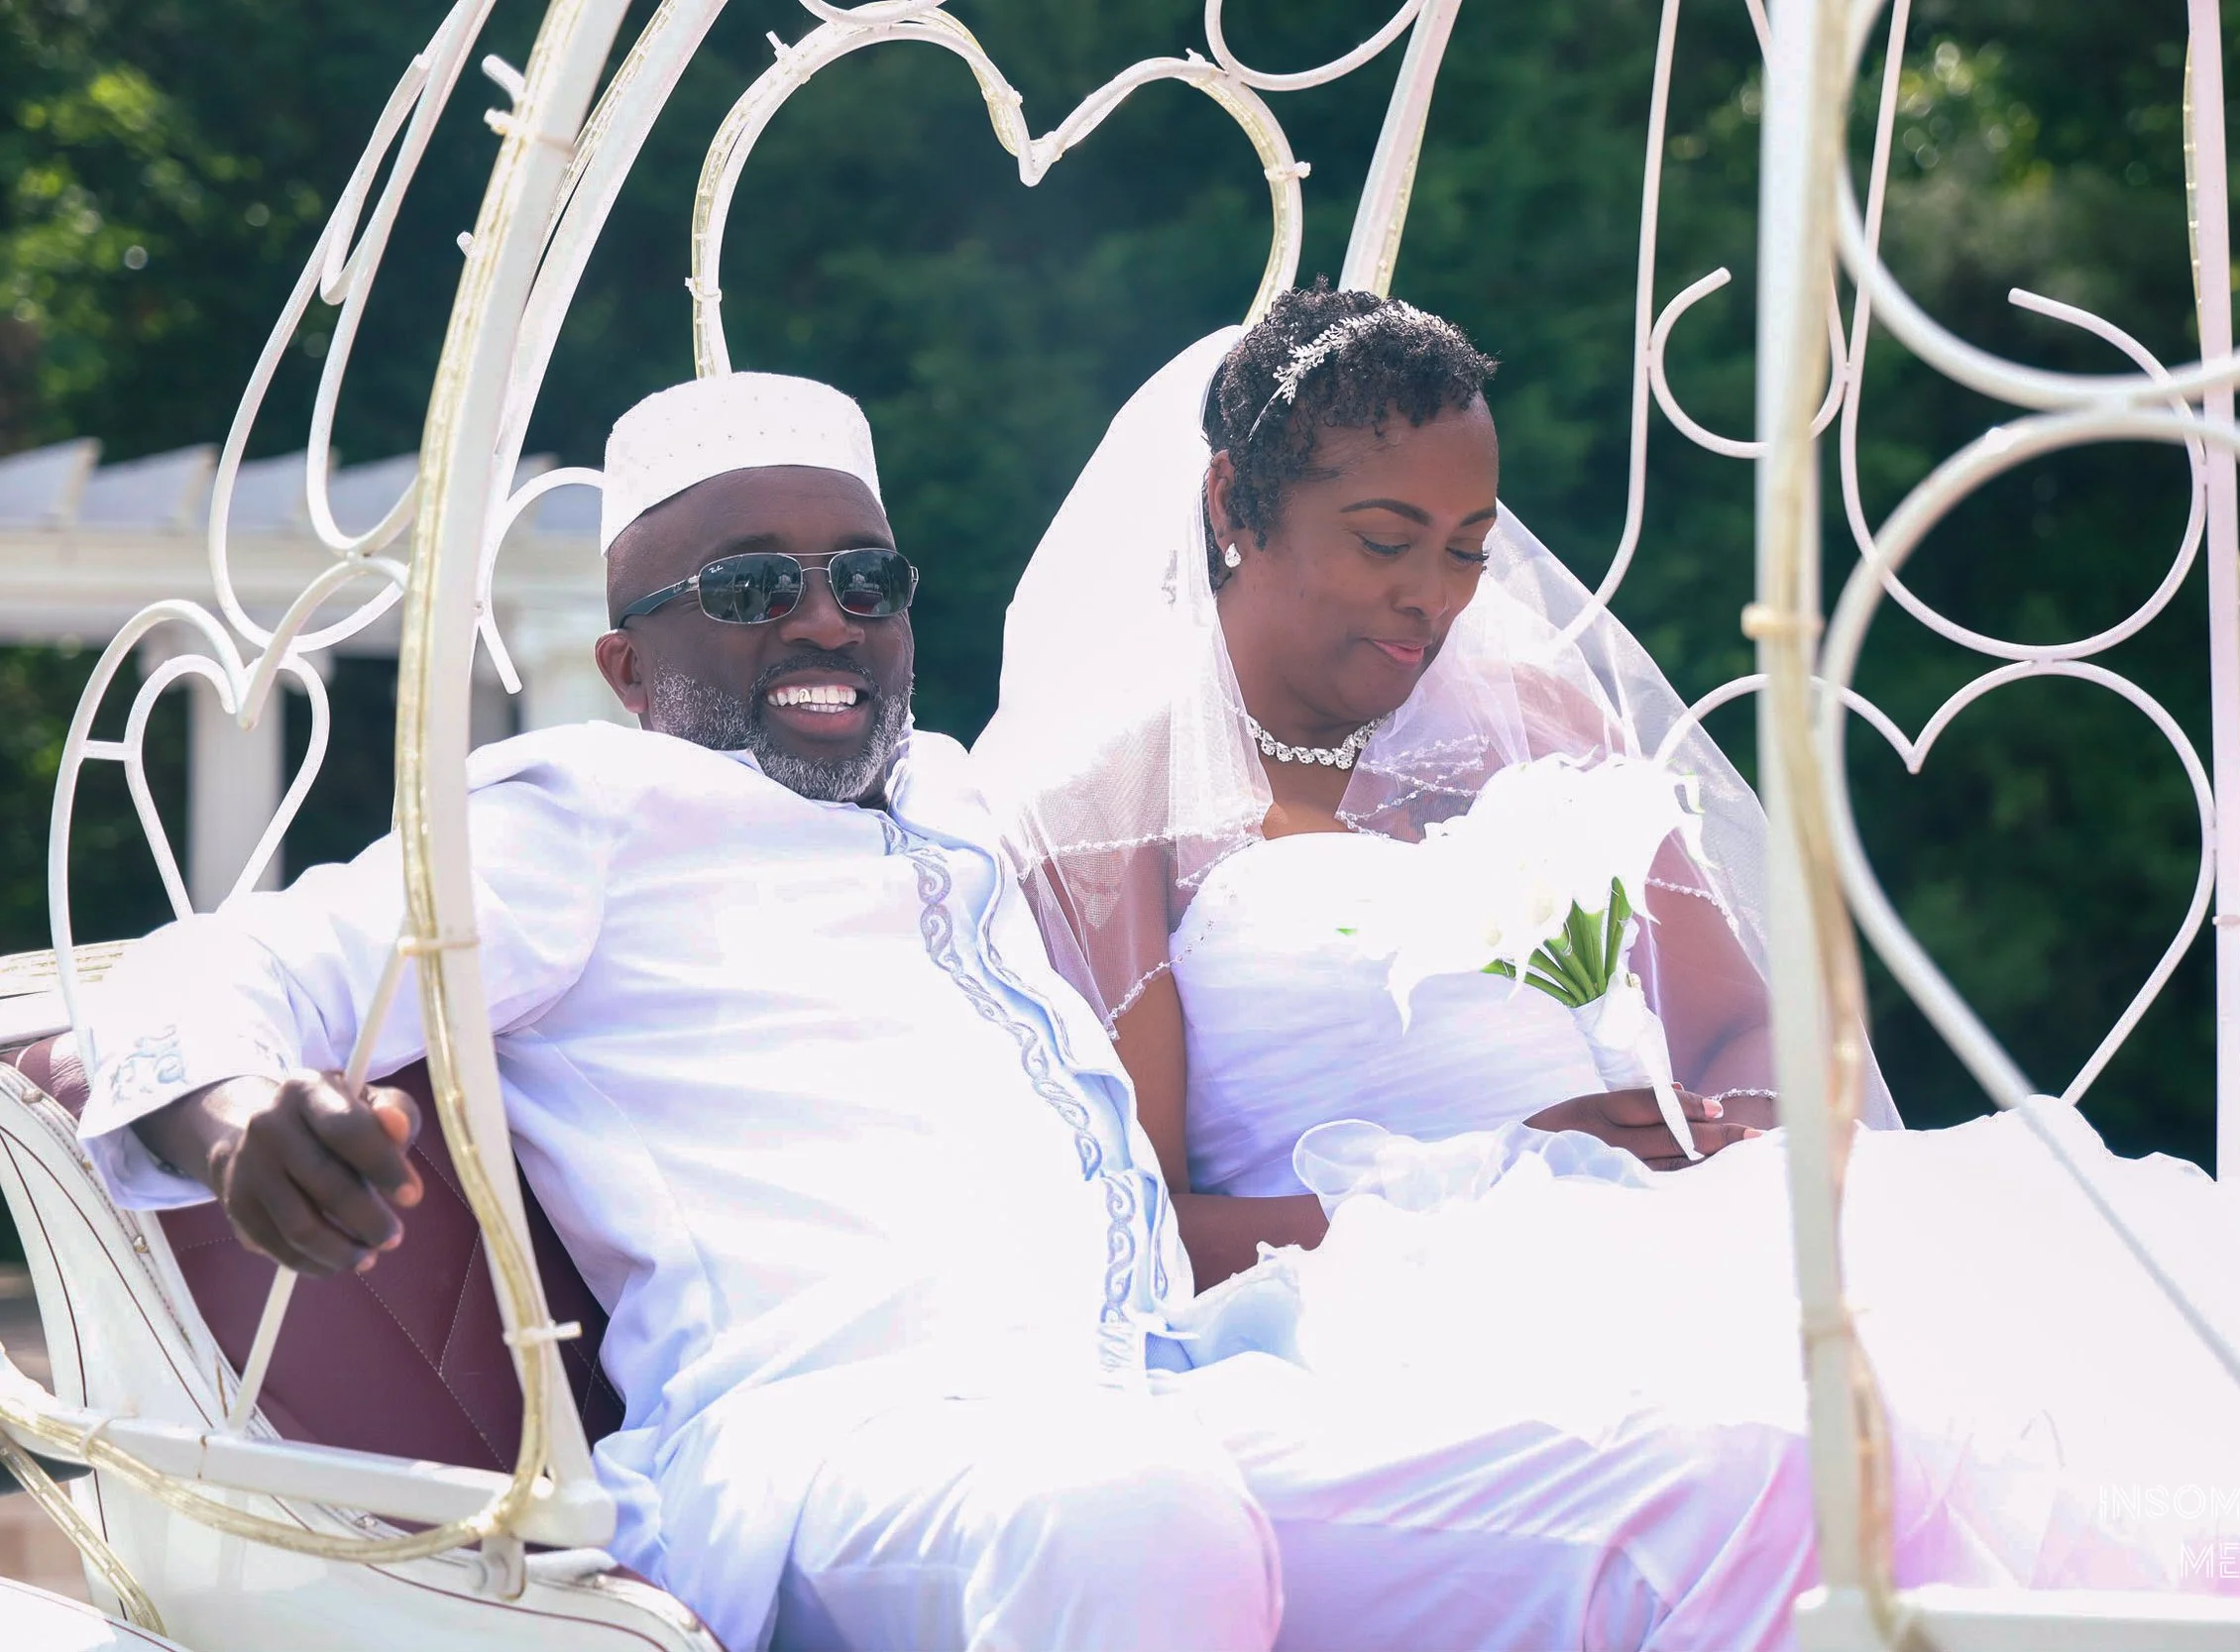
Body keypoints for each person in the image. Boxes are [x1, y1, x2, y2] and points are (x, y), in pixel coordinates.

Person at [76, 370, 1849, 1652]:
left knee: (1721, 1475)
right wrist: (239, 1120)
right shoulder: (578, 812)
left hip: (1152, 1391)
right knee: (1127, 1514)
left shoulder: (960, 800)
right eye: (756, 591)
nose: (826, 615)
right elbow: (232, 968)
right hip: (837, 1437)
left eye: (868, 576)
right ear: (630, 665)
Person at [973, 287, 2240, 1632]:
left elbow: (1743, 1025)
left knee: (2102, 1356)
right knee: (1788, 1451)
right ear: (1235, 500)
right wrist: (1493, 1174)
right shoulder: (1102, 816)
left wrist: (1720, 1128)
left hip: (1669, 1218)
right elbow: (1143, 1234)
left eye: (1468, 550)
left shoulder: (1531, 728)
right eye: (1384, 541)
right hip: (1368, 1296)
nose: (1433, 597)